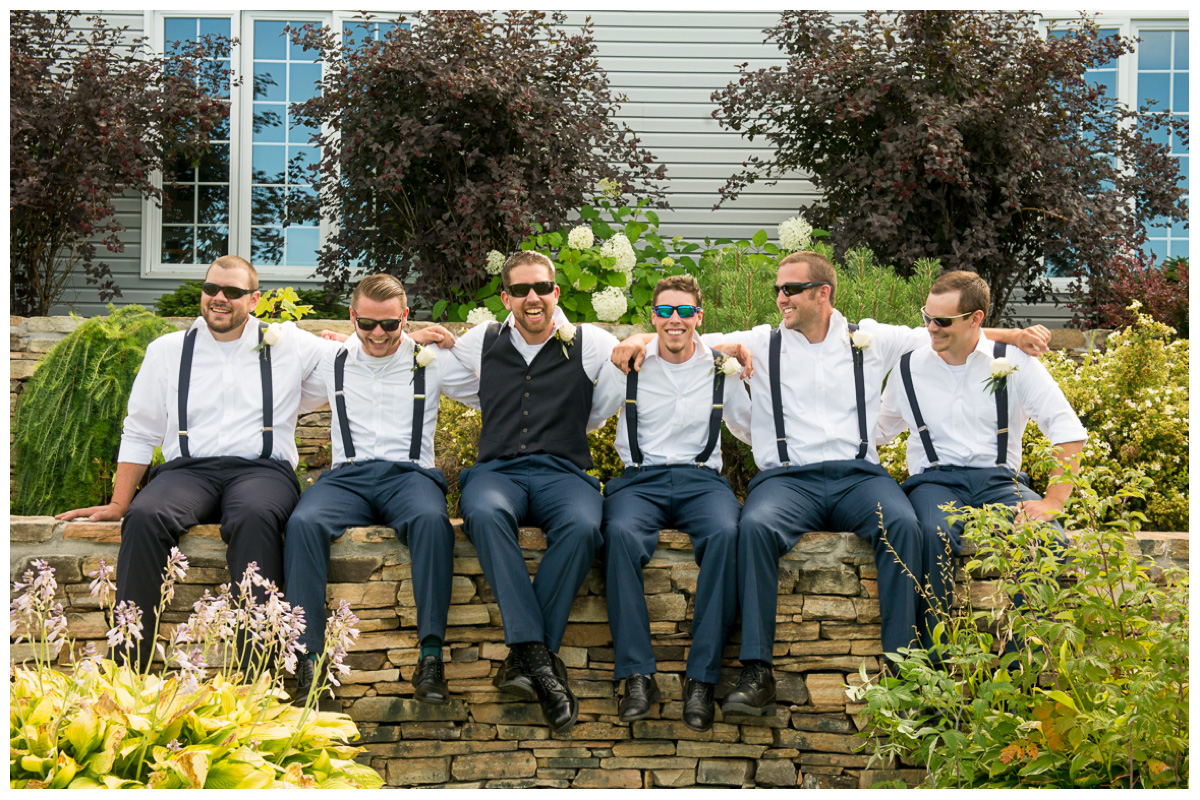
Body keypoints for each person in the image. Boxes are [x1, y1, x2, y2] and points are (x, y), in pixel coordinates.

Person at [613, 250, 1051, 716]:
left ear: (823, 293)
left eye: (790, 289)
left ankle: (905, 670)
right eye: (777, 288)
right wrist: (637, 336)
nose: (780, 297)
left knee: (902, 524)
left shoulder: (869, 338)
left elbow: (947, 329)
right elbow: (682, 334)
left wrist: (1014, 337)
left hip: (857, 477)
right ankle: (757, 671)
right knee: (754, 528)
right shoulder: (759, 341)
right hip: (786, 481)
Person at [56, 256, 330, 669]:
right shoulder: (167, 351)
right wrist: (118, 503)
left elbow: (360, 359)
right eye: (211, 289)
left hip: (261, 471)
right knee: (145, 515)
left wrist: (411, 337)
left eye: (233, 292)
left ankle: (256, 674)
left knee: (255, 517)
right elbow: (142, 428)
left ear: (254, 300)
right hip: (188, 472)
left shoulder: (287, 342)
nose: (219, 298)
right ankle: (128, 668)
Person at [446, 251, 624, 734]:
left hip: (563, 472)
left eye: (542, 288)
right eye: (521, 289)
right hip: (497, 471)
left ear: (555, 293)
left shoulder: (591, 342)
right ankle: (540, 661)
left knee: (586, 525)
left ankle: (525, 657)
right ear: (505, 297)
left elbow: (609, 396)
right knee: (483, 514)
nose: (533, 298)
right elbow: (432, 366)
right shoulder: (479, 340)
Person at [281, 274, 474, 704]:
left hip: (410, 477)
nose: (378, 334)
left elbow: (488, 382)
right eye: (366, 323)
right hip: (346, 477)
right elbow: (276, 335)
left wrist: (449, 341)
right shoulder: (331, 358)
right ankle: (308, 658)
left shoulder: (432, 358)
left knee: (431, 521)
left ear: (405, 317)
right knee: (303, 522)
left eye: (390, 324)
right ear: (352, 316)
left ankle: (430, 659)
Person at [875, 270, 1086, 655]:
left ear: (975, 319)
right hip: (934, 483)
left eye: (942, 321)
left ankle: (1023, 673)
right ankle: (930, 674)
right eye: (927, 316)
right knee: (929, 534)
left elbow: (1067, 428)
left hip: (1002, 483)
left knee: (1047, 540)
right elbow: (877, 431)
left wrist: (1054, 500)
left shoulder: (1014, 361)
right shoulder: (908, 367)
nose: (930, 328)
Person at [602, 275, 752, 732]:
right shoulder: (630, 365)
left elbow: (750, 427)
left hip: (701, 480)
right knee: (619, 536)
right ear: (652, 316)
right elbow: (588, 415)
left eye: (684, 311)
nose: (674, 320)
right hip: (639, 481)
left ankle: (702, 680)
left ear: (698, 318)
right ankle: (637, 675)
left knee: (728, 535)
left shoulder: (720, 366)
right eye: (665, 311)